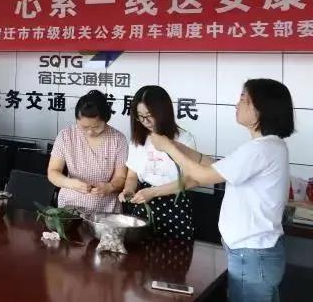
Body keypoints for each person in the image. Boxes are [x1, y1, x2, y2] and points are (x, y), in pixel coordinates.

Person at [151, 79, 294, 302]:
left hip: (253, 254)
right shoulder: (269, 146)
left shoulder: (261, 149)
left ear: (262, 109)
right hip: (254, 253)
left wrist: (168, 147)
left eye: (244, 99)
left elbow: (203, 176)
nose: (237, 104)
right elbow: (215, 167)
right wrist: (178, 147)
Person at [118, 85, 206, 240]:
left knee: (174, 252)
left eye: (149, 115)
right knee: (141, 252)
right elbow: (132, 176)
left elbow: (191, 180)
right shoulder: (138, 141)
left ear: (163, 112)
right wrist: (129, 191)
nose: (145, 121)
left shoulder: (184, 139)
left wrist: (153, 192)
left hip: (175, 207)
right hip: (144, 206)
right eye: (140, 116)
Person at [47, 90, 128, 213]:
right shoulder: (66, 136)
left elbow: (121, 176)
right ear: (77, 119)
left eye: (96, 127)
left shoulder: (118, 139)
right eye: (84, 127)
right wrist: (71, 183)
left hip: (106, 209)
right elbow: (53, 172)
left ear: (106, 119)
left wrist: (110, 187)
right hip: (70, 206)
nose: (90, 132)